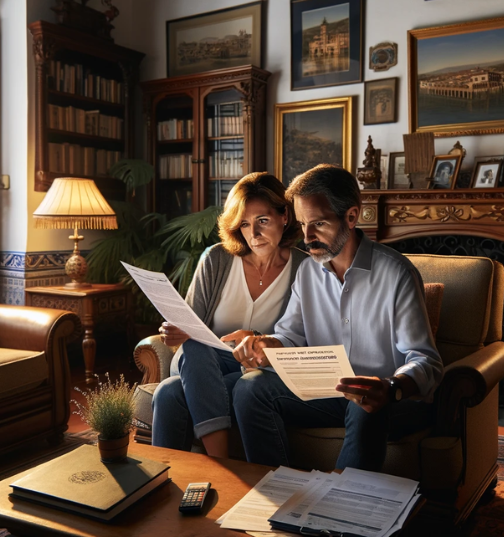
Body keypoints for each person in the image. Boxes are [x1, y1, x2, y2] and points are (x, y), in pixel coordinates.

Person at [231, 164, 444, 471]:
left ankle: (340, 510)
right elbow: (290, 338)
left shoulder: (397, 273)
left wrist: (391, 387)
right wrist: (267, 345)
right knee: (249, 388)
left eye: (318, 224)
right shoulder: (307, 272)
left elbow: (426, 360)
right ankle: (274, 489)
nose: (307, 237)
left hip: (389, 400)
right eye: (303, 224)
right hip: (328, 394)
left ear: (352, 216)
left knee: (364, 407)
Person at [151, 172, 305, 457]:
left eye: (263, 221)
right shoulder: (216, 258)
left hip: (258, 371)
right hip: (200, 364)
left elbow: (304, 339)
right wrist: (175, 332)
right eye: (244, 224)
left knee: (169, 393)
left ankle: (168, 480)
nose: (253, 234)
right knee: (196, 344)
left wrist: (258, 340)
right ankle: (221, 462)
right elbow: (189, 326)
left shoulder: (305, 269)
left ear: (285, 216)